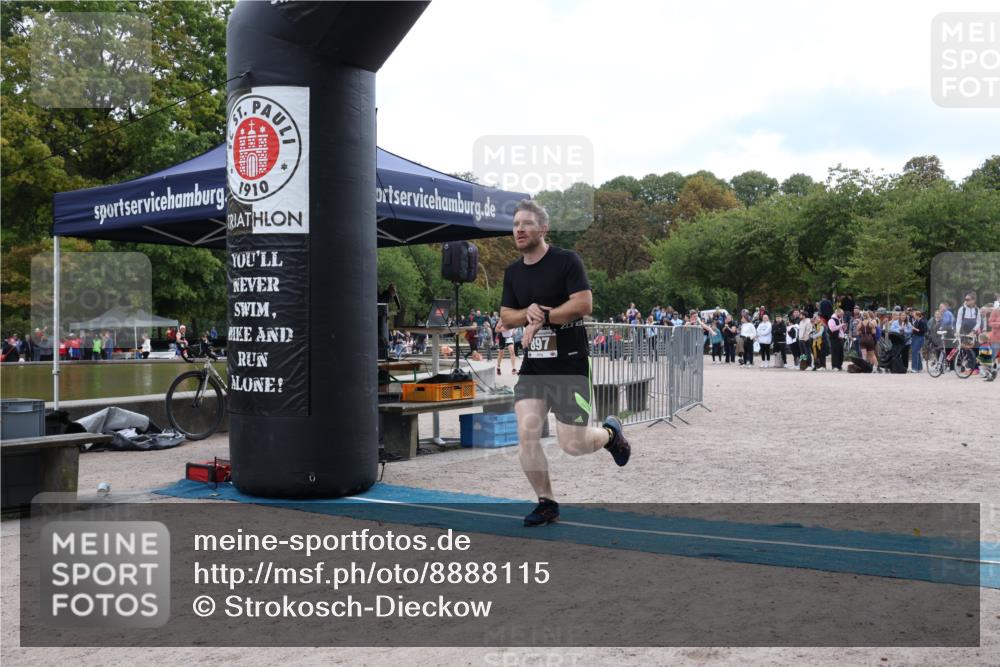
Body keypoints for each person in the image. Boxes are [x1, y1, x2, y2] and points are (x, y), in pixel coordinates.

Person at [500, 200, 630, 527]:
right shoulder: (513, 272)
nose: (519, 229)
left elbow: (584, 303)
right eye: (515, 224)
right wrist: (526, 313)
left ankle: (610, 434)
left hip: (569, 364)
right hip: (534, 369)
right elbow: (506, 316)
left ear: (543, 229)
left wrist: (543, 317)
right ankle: (546, 503)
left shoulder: (566, 261)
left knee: (572, 444)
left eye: (526, 224)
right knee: (526, 434)